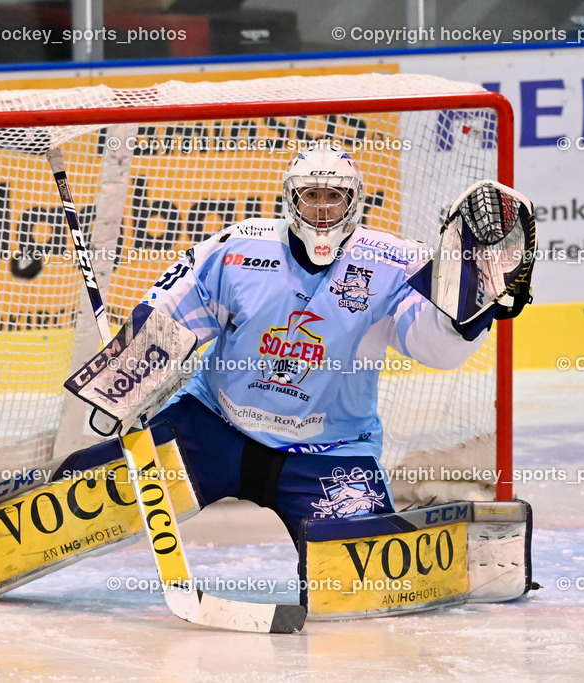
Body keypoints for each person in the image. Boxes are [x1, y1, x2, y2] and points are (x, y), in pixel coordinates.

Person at [69, 144, 491, 541]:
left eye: (335, 197)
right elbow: (171, 312)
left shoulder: (396, 262)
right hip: (214, 427)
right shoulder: (238, 247)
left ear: (354, 201)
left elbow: (434, 347)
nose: (323, 209)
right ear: (292, 200)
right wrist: (124, 386)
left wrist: (474, 313)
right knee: (80, 501)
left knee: (359, 577)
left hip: (330, 454)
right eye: (311, 196)